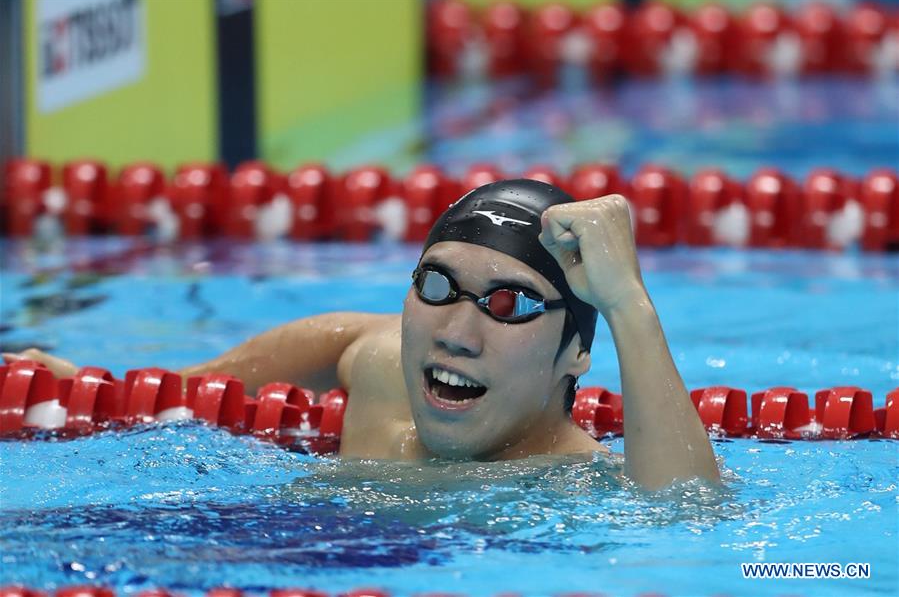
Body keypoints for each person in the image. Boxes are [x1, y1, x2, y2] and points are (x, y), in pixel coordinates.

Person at [5, 179, 719, 490]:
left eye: (508, 305)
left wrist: (627, 304)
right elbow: (346, 336)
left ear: (577, 352)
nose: (456, 334)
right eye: (436, 285)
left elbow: (685, 511)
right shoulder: (385, 372)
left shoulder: (572, 483)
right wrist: (148, 390)